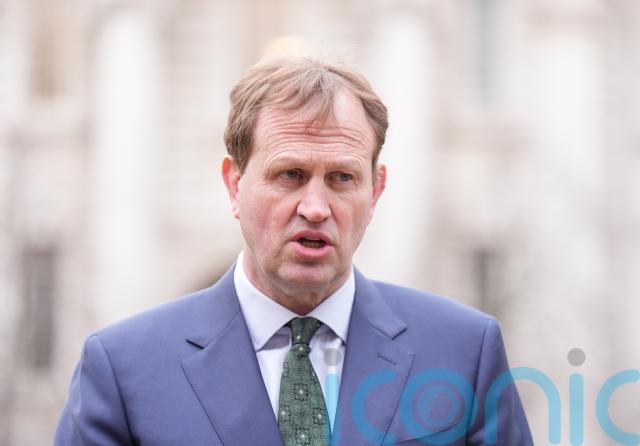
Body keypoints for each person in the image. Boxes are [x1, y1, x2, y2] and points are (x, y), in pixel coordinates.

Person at [55, 57, 532, 445]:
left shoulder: (463, 353)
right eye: (290, 175)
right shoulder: (124, 370)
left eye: (342, 178)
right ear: (234, 184)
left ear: (375, 192)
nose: (316, 207)